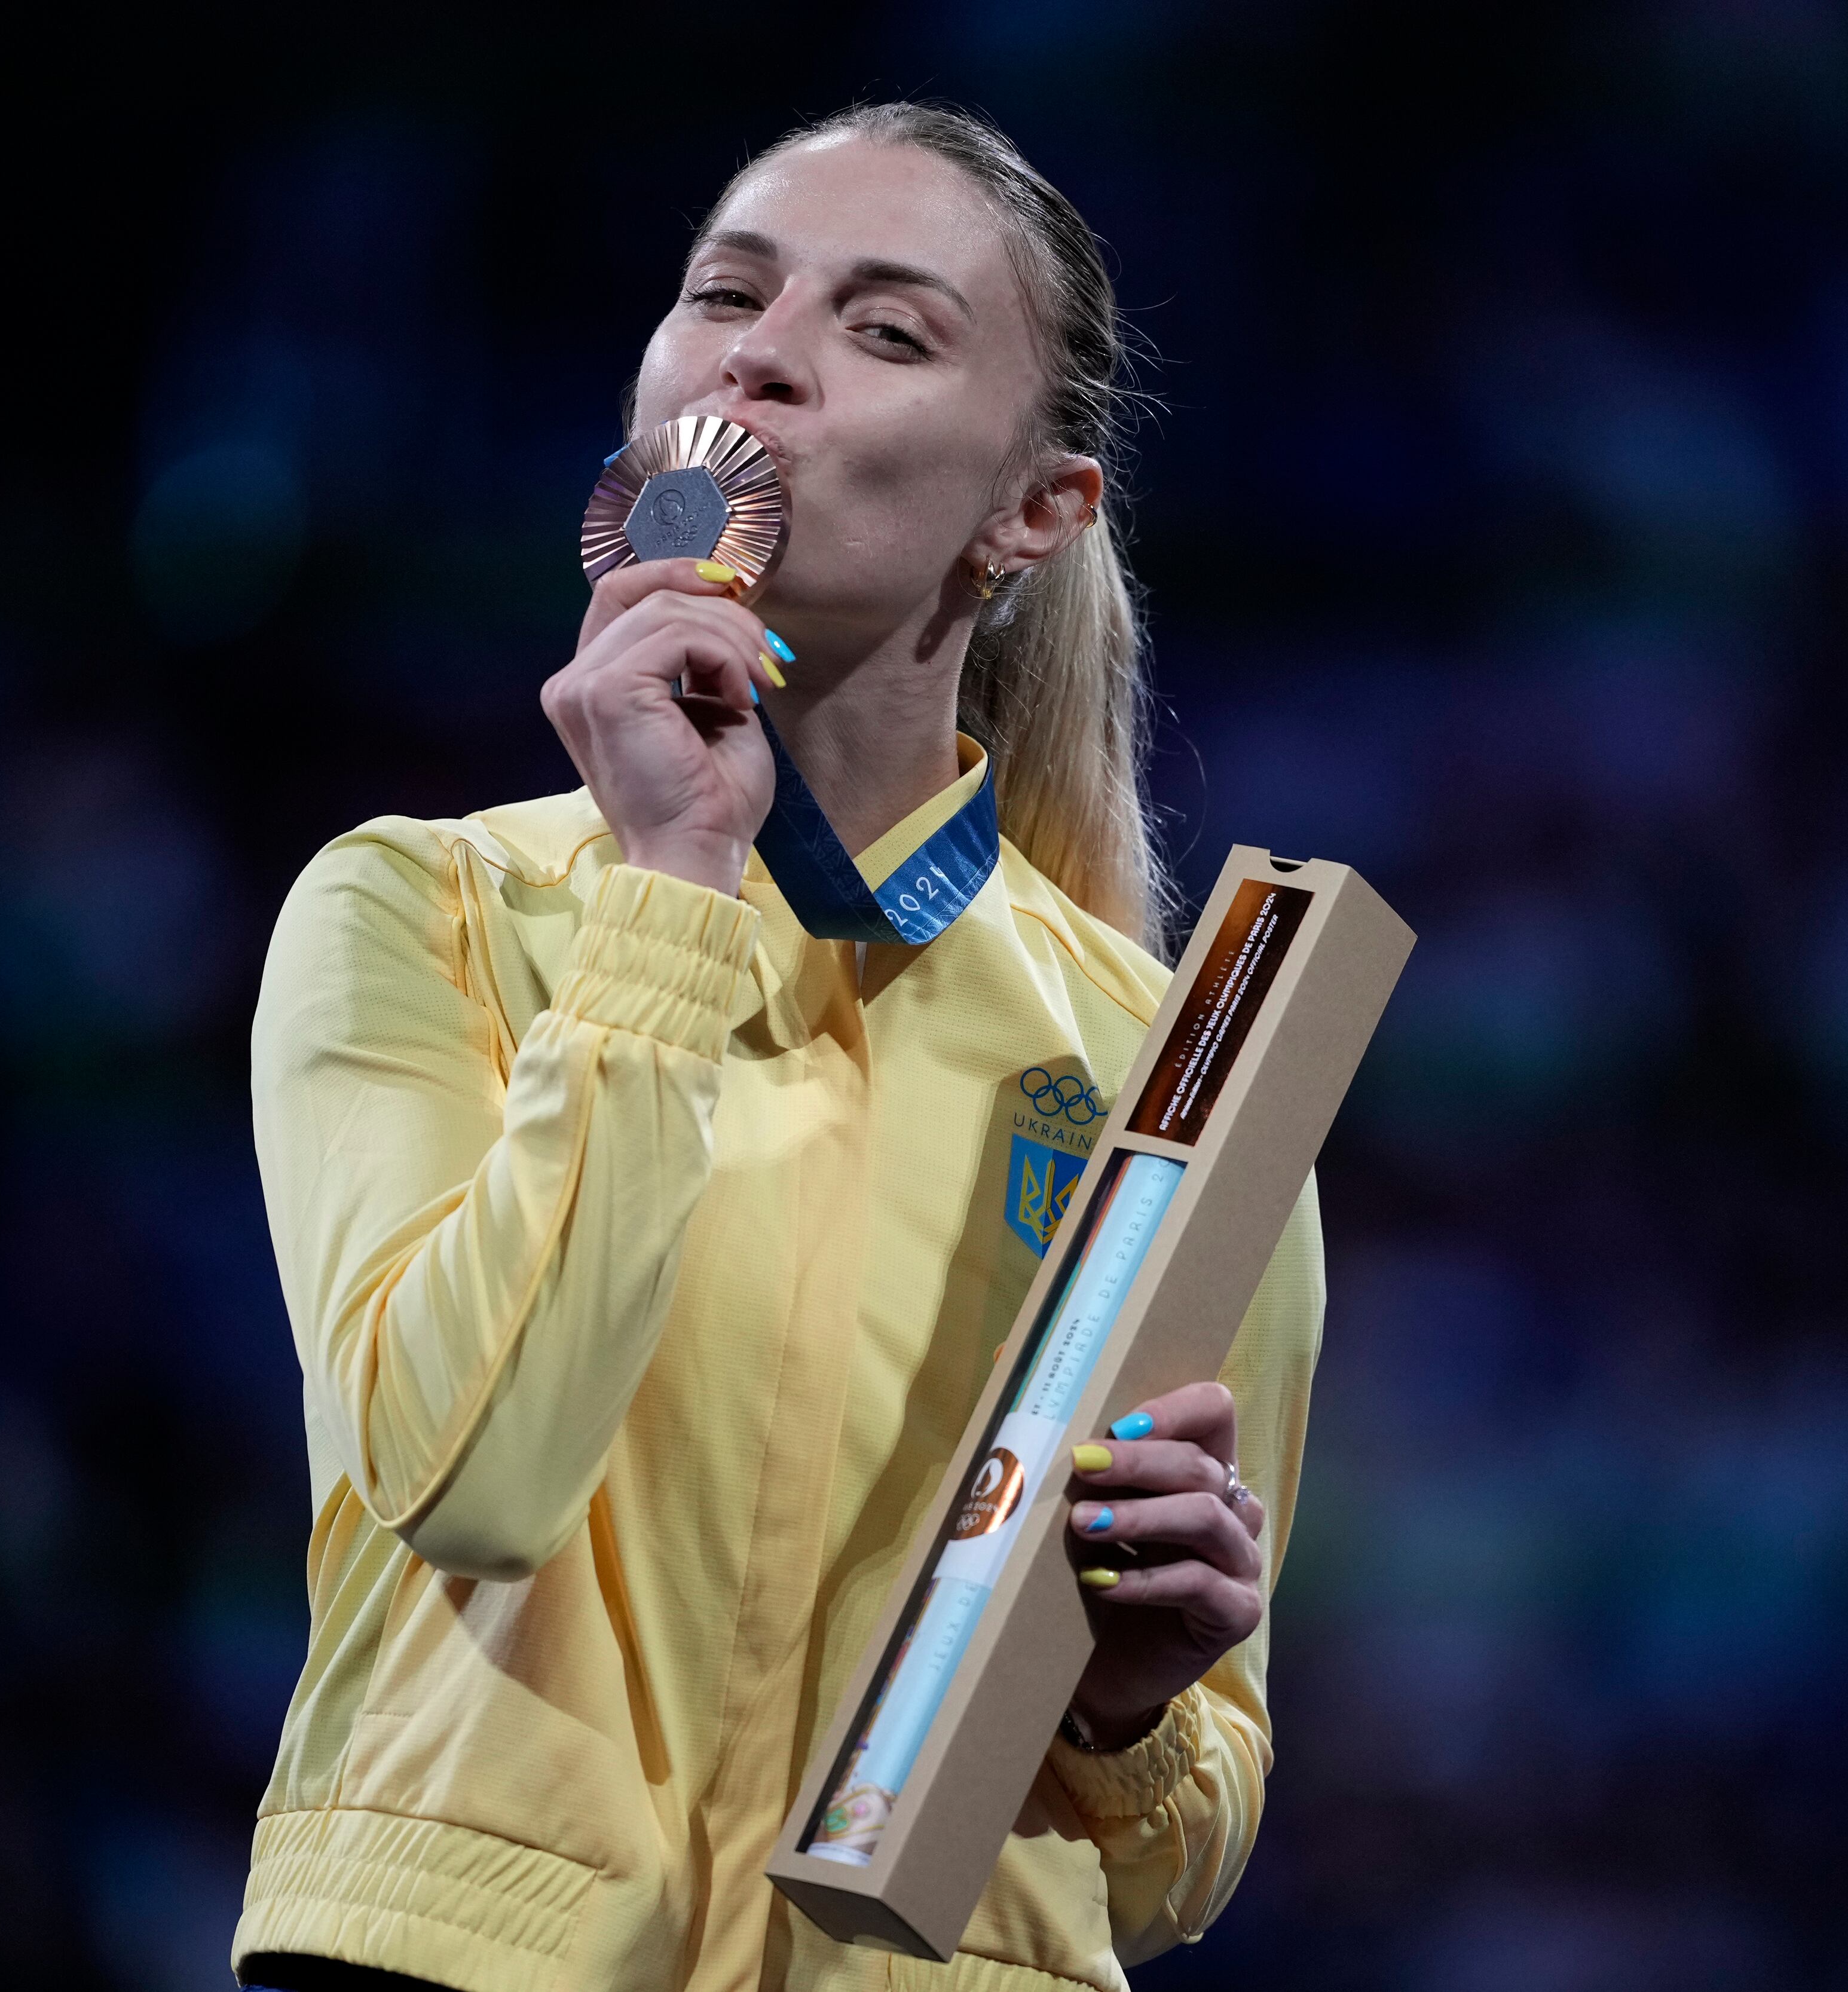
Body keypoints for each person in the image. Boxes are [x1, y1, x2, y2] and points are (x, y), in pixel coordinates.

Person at [232, 102, 1323, 1992]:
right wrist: (674, 879)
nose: (760, 351)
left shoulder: (1179, 1068)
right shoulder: (420, 914)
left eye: (886, 331)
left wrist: (1130, 1720)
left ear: (1034, 513)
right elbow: (476, 1478)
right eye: (725, 293)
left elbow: (1192, 1844)